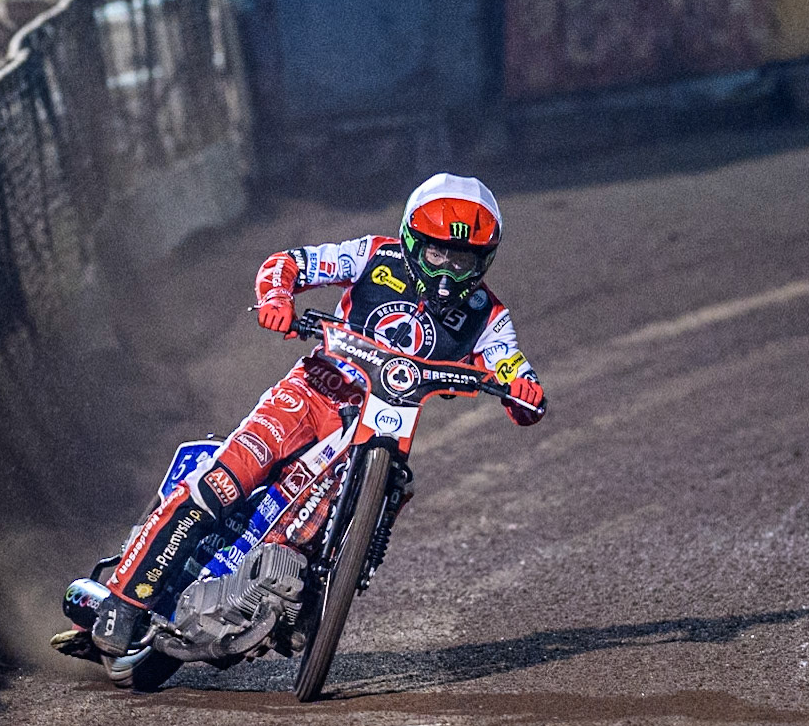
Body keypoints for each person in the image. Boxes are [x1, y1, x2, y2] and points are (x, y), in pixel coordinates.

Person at [88, 173, 545, 656]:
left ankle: (310, 597)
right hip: (312, 394)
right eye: (438, 254)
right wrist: (276, 298)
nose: (449, 271)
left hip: (380, 428)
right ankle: (123, 600)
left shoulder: (489, 316)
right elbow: (289, 263)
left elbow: (514, 368)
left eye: (463, 259)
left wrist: (525, 390)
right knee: (222, 482)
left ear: (484, 259)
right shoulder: (375, 255)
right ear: (414, 242)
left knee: (395, 489)